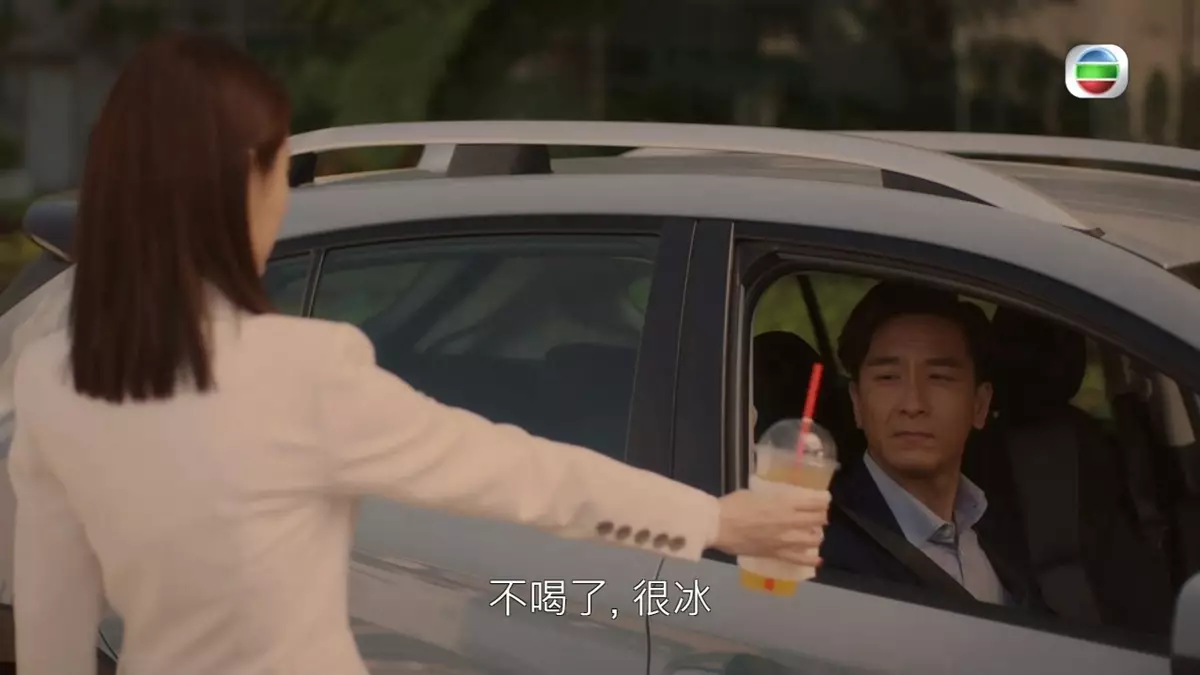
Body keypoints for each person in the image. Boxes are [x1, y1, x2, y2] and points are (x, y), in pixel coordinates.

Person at [6, 34, 830, 675]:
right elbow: (520, 475)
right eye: (279, 172)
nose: (282, 201)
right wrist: (716, 519)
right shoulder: (303, 370)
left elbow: (50, 628)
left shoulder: (53, 382)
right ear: (241, 183)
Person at [816, 281, 1037, 607]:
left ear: (979, 405)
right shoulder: (818, 549)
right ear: (857, 403)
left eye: (939, 378)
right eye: (888, 377)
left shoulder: (999, 526)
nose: (913, 404)